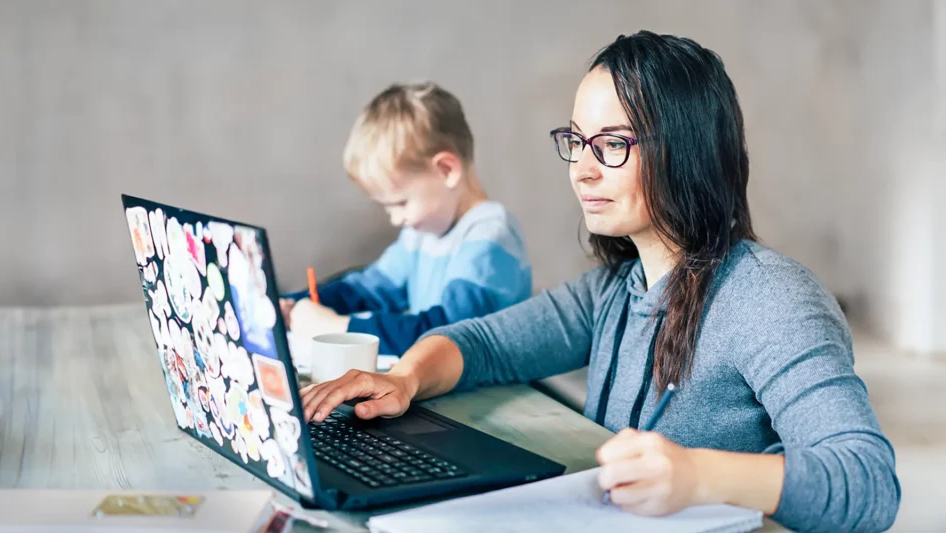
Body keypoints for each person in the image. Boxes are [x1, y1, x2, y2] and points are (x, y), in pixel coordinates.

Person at [299, 31, 901, 532]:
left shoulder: (770, 298)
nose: (583, 169)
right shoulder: (617, 286)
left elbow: (867, 482)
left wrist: (698, 475)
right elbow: (485, 343)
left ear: (684, 151)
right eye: (578, 141)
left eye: (612, 144)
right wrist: (404, 378)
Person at [281, 82, 532, 357]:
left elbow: (444, 334)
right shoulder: (422, 233)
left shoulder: (490, 235)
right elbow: (367, 290)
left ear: (446, 170)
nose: (395, 219)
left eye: (401, 203)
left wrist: (340, 327)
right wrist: (293, 306)